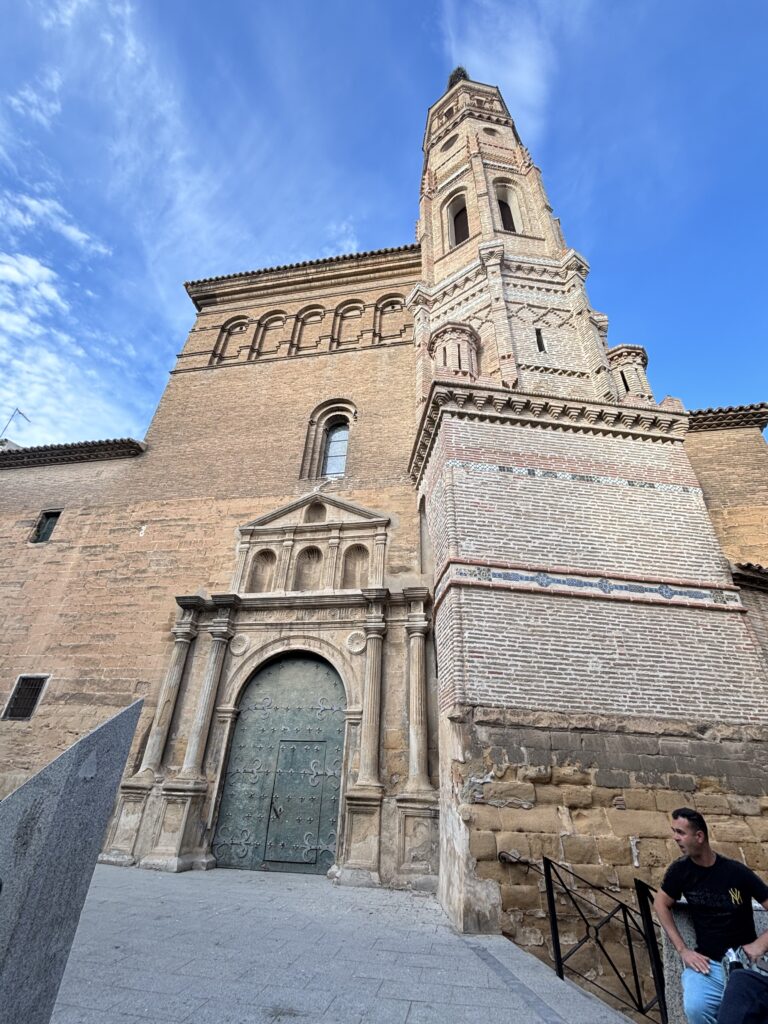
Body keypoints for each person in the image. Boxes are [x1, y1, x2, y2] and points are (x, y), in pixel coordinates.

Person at [653, 807, 768, 1024]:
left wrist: (760, 944)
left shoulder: (736, 872)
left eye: (680, 833)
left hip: (743, 963)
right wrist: (683, 950)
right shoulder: (680, 871)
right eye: (674, 831)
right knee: (695, 1007)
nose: (675, 838)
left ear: (699, 836)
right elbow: (660, 904)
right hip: (708, 964)